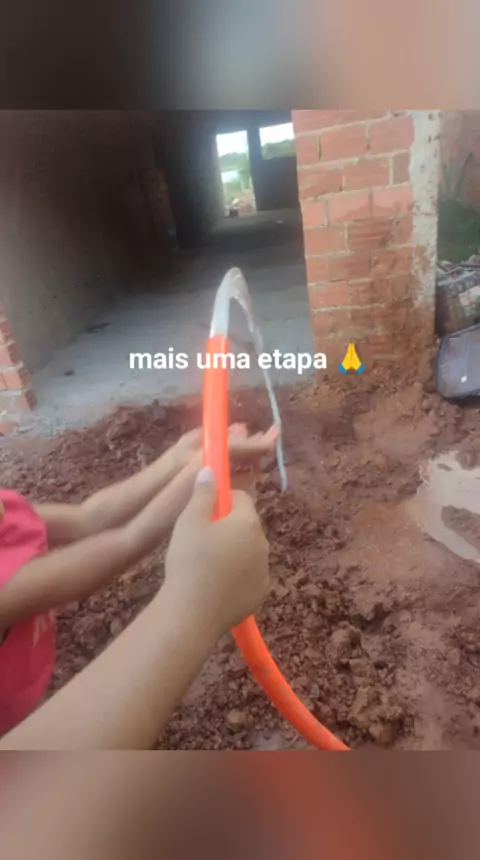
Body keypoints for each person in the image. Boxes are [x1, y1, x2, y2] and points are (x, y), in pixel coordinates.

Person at [0, 422, 279, 738]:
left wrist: (176, 461)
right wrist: (206, 467)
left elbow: (86, 518)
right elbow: (129, 541)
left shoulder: (4, 510)